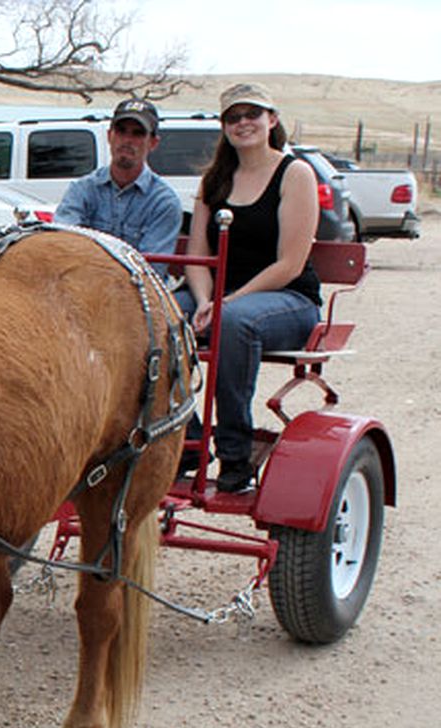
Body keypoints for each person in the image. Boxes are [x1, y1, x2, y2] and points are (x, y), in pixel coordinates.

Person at [177, 82, 321, 493]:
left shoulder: (295, 173)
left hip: (287, 298)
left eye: (252, 114)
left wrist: (225, 303)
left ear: (271, 120)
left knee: (236, 322)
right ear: (224, 127)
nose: (244, 123)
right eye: (234, 117)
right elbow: (198, 256)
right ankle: (186, 441)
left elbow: (289, 263)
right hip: (219, 293)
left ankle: (235, 455)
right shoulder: (215, 180)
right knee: (157, 315)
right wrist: (205, 299)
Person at [55, 98, 183, 255]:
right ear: (110, 136)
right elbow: (62, 246)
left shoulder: (163, 202)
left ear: (153, 143)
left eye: (138, 133)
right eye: (121, 131)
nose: (127, 140)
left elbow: (150, 269)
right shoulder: (81, 190)